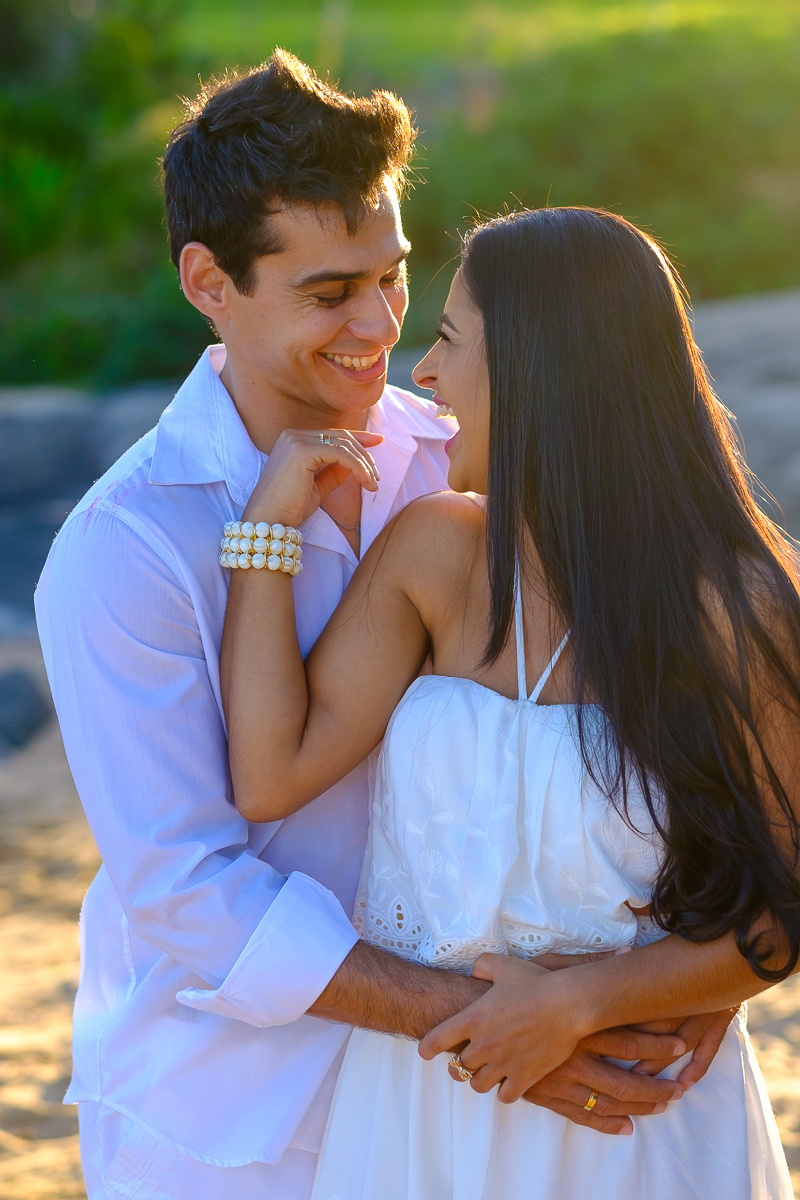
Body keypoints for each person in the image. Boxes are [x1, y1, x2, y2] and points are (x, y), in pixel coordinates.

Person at [36, 53, 726, 1200]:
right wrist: (499, 1025)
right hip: (235, 1123)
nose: (378, 327)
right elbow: (183, 887)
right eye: (326, 293)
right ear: (208, 280)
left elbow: (646, 715)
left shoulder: (473, 453)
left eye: (393, 278)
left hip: (486, 1110)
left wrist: (664, 988)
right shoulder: (125, 549)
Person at [220, 206, 799, 1199]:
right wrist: (264, 539)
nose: (424, 376)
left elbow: (779, 911)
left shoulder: (738, 605)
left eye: (448, 341)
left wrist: (575, 1008)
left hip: (633, 1115)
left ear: (542, 366)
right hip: (421, 1109)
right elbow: (269, 774)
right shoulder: (434, 554)